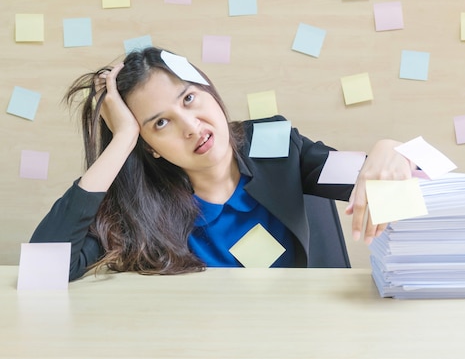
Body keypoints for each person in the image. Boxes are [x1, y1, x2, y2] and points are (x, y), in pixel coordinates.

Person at [30, 47, 414, 281]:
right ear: (149, 147)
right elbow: (43, 272)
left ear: (209, 91)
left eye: (189, 99)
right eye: (159, 123)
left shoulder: (275, 145)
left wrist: (388, 149)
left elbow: (399, 187)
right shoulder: (140, 210)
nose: (191, 127)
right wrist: (122, 141)